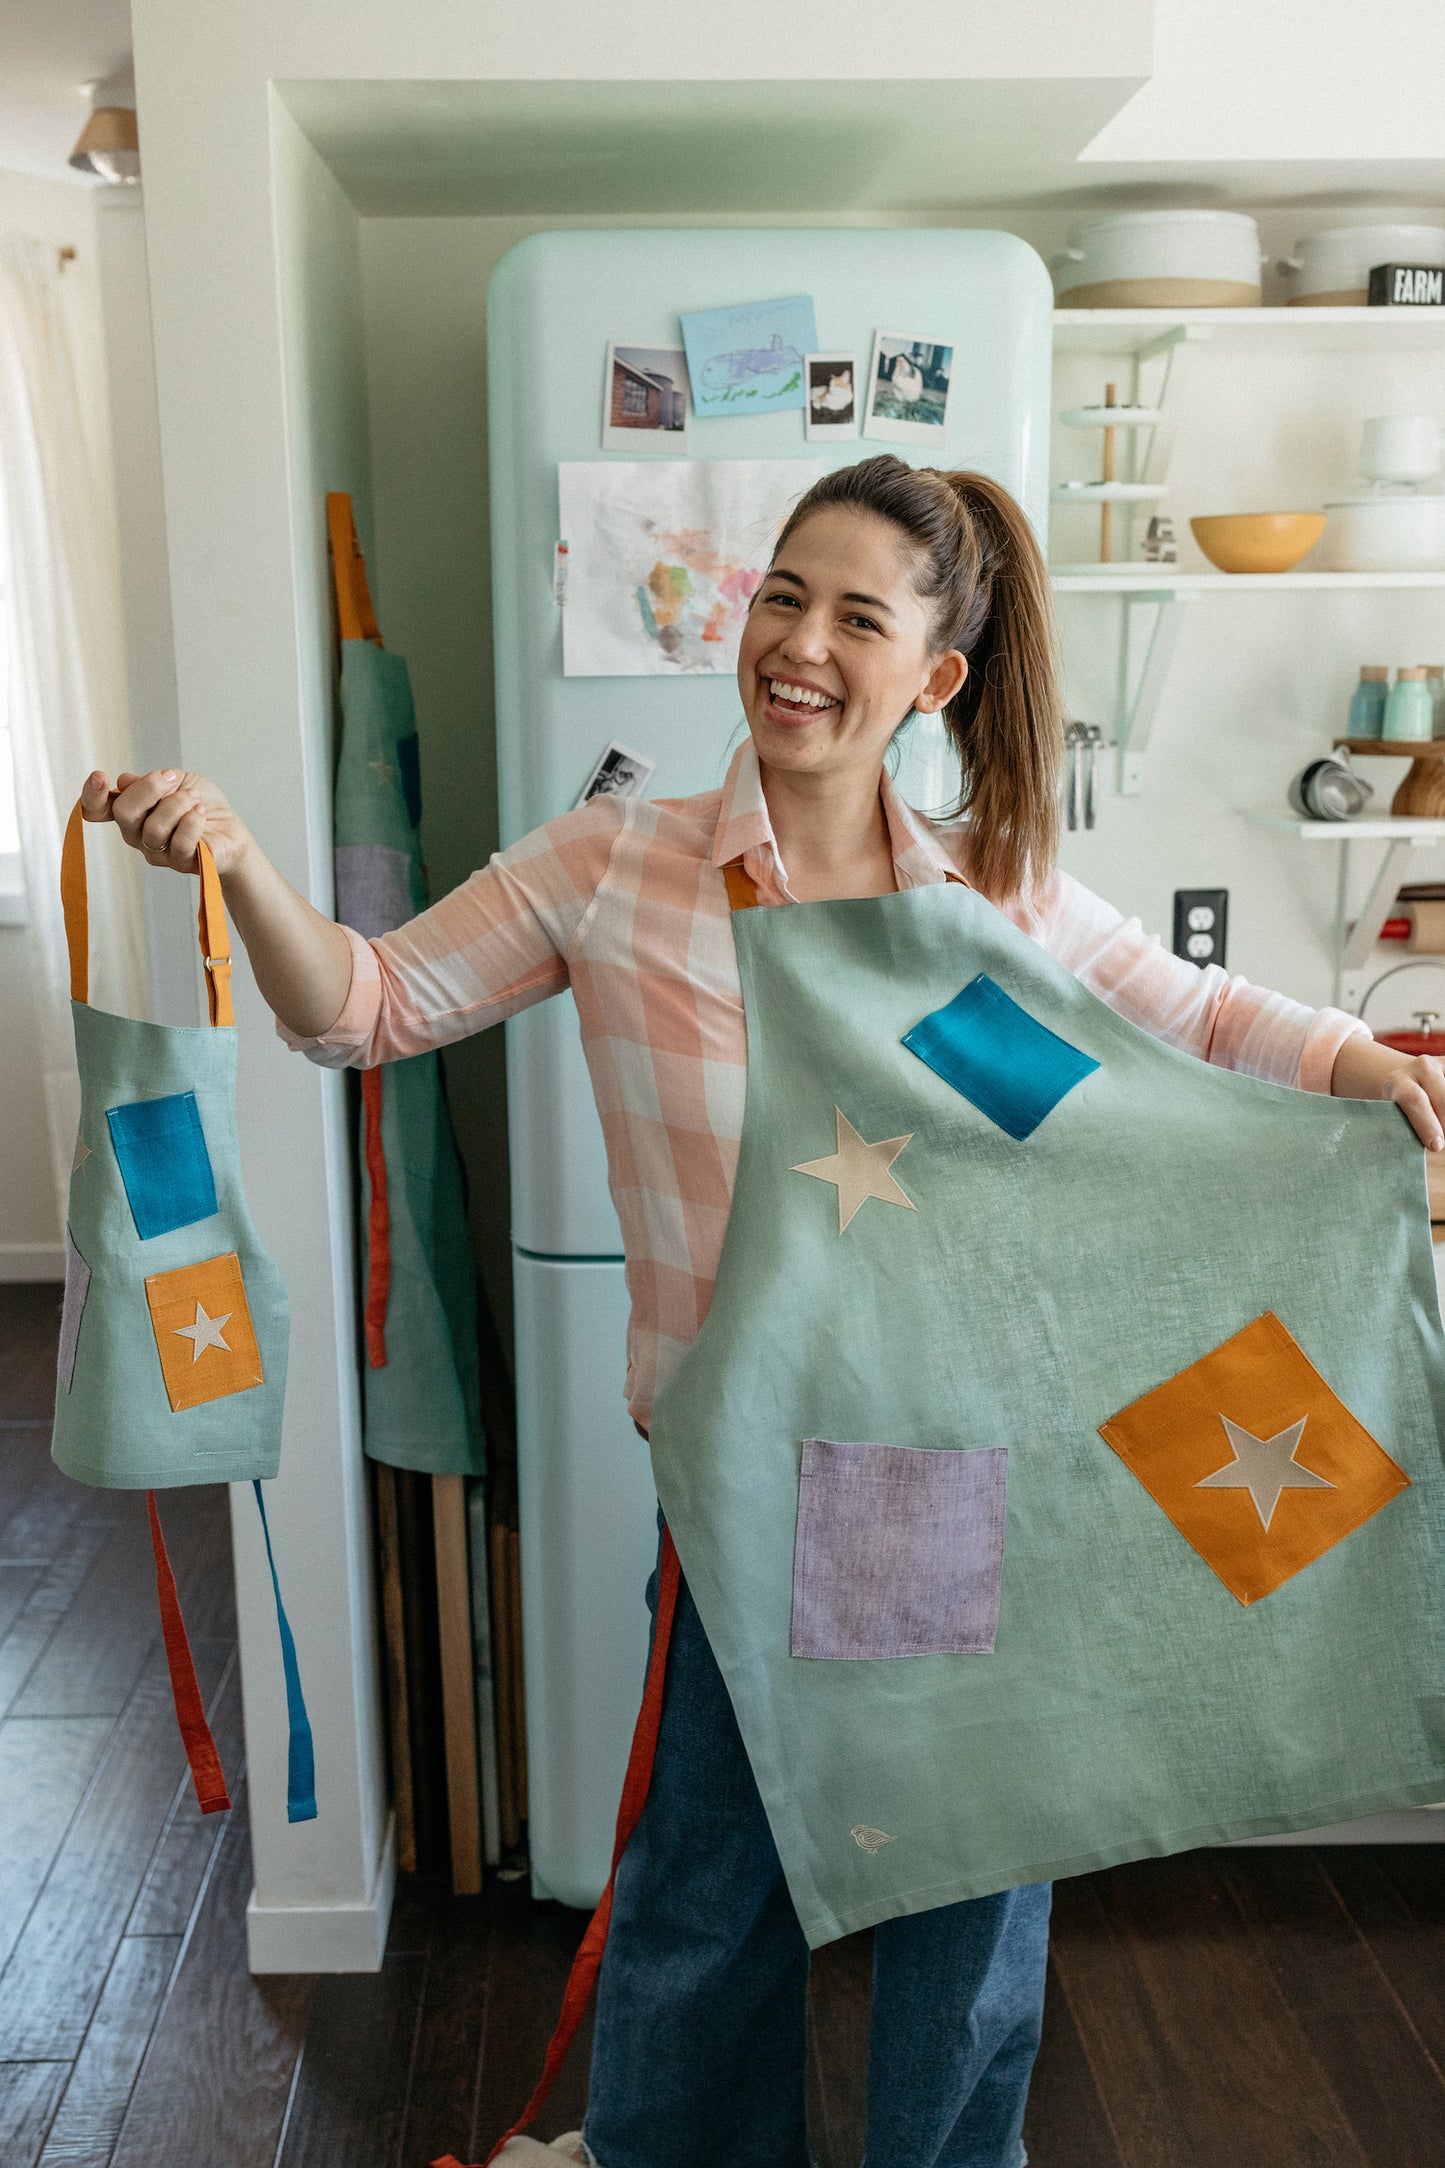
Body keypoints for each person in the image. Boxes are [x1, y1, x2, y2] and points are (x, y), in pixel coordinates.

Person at [83, 455, 1445, 2168]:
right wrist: (233, 864)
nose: (798, 643)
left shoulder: (973, 901)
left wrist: (1354, 1061)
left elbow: (1190, 1015)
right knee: (709, 1889)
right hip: (734, 1475)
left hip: (948, 1466)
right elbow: (361, 1008)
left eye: (855, 617)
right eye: (781, 596)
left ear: (931, 678)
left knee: (967, 1868)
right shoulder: (617, 866)